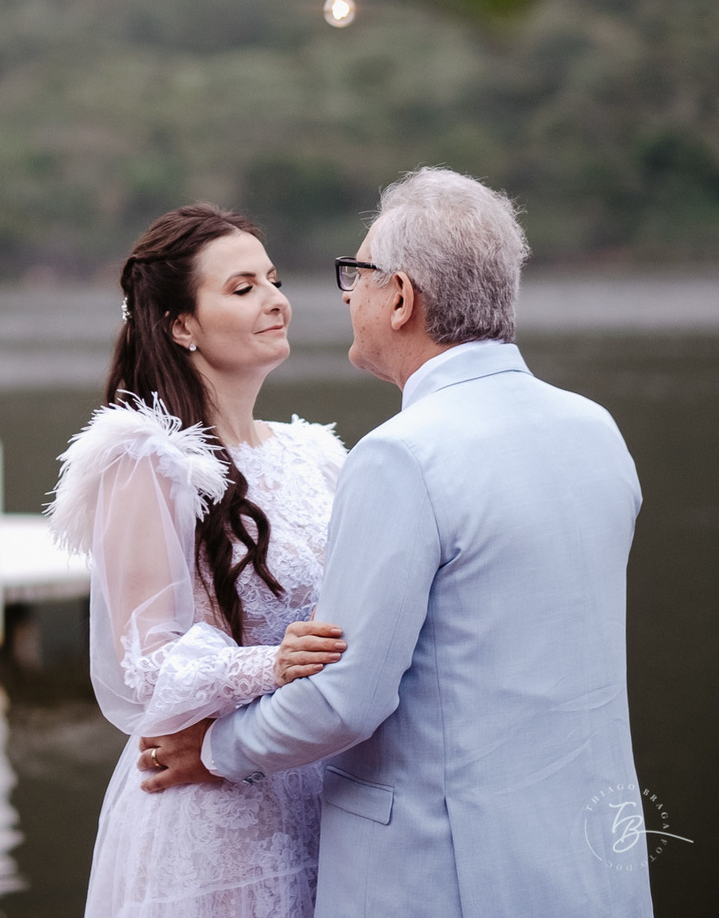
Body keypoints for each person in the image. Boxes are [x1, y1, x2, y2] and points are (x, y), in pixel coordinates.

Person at [139, 168, 654, 918]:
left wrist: (214, 749)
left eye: (358, 275)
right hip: (595, 861)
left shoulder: (402, 456)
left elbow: (345, 701)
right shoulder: (595, 430)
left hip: (442, 872)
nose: (348, 296)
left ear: (402, 298)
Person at [47, 202, 348, 918]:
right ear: (181, 324)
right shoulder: (147, 457)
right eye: (242, 288)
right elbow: (144, 663)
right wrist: (273, 664)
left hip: (321, 783)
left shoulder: (317, 453)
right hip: (210, 806)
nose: (275, 301)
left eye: (273, 281)